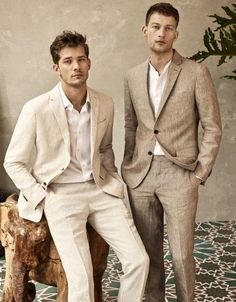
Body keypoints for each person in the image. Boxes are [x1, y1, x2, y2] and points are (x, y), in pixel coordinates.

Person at [4, 30, 149, 302]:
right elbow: (14, 161)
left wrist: (111, 181)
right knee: (80, 278)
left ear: (89, 63)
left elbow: (105, 149)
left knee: (139, 260)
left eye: (81, 59)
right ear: (56, 68)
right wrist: (42, 197)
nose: (76, 66)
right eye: (68, 61)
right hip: (60, 195)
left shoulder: (105, 103)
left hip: (100, 191)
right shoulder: (36, 108)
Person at [121, 3, 222, 302]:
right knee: (149, 256)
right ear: (145, 30)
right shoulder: (132, 76)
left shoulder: (195, 72)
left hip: (181, 174)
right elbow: (130, 125)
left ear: (176, 34)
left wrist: (200, 173)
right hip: (141, 175)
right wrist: (129, 167)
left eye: (168, 28)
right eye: (155, 26)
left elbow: (212, 127)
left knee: (181, 256)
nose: (161, 33)